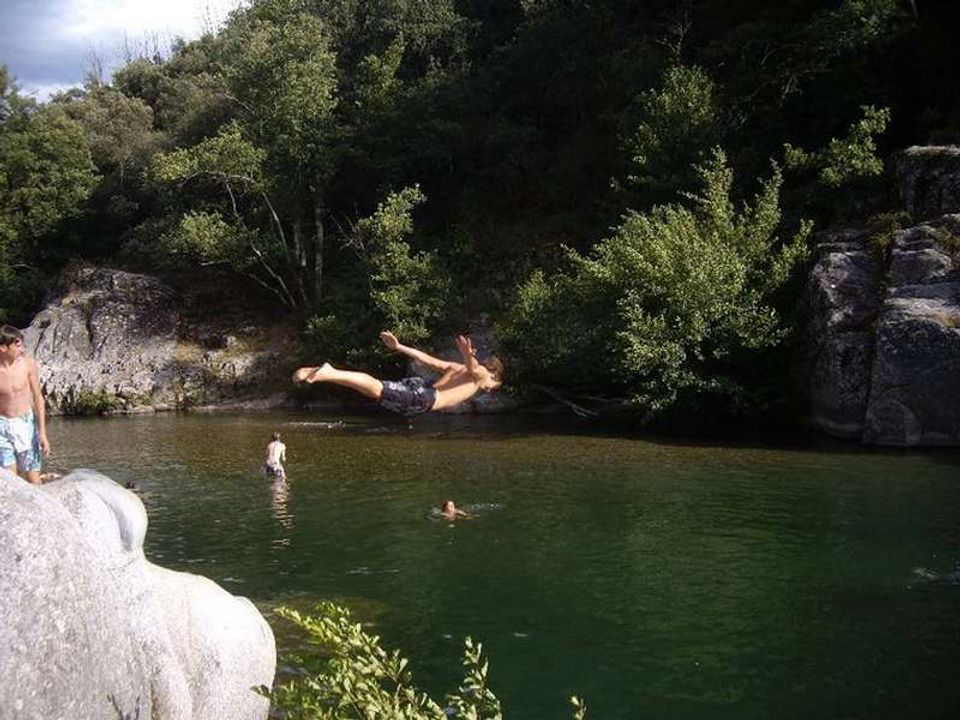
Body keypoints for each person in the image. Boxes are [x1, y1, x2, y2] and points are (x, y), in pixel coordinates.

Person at [292, 331, 503, 416]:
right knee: (376, 388)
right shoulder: (483, 375)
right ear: (495, 375)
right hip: (424, 398)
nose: (488, 390)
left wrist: (399, 346)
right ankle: (329, 372)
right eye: (494, 387)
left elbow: (425, 358)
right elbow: (475, 369)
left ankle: (331, 374)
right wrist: (467, 356)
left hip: (422, 388)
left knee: (373, 391)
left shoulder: (456, 369)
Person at [0, 325, 50, 484]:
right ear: (3, 348)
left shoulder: (28, 365)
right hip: (2, 426)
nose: (22, 349)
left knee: (33, 479)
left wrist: (42, 433)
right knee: (10, 481)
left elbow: (38, 398)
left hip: (25, 423)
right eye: (17, 345)